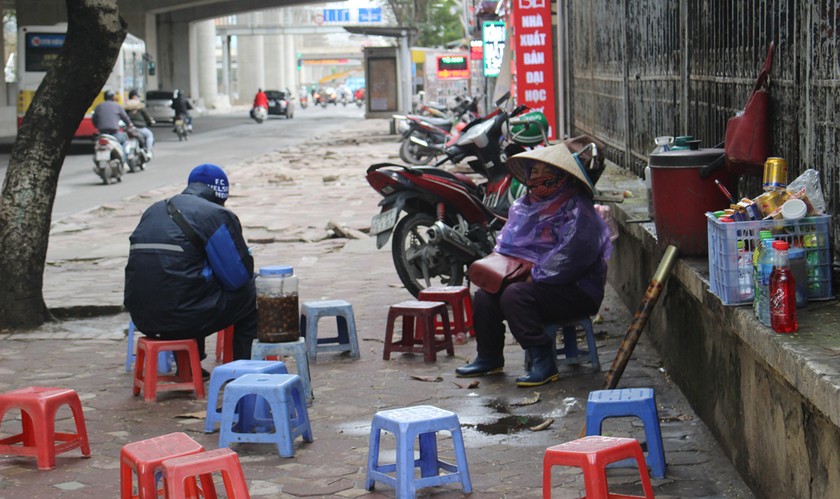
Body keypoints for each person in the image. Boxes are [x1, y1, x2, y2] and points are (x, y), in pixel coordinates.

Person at [455, 144, 613, 387]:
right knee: (485, 297)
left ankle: (543, 361)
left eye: (545, 171)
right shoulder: (525, 206)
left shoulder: (578, 209)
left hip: (576, 289)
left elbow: (570, 258)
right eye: (534, 171)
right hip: (534, 283)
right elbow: (506, 245)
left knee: (515, 295)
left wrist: (535, 275)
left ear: (561, 176)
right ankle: (489, 357)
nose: (538, 177)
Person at [124, 163, 257, 362]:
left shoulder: (154, 209)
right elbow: (237, 278)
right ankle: (243, 368)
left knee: (187, 280)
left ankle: (189, 365)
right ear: (222, 196)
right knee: (254, 290)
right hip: (184, 319)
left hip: (142, 317)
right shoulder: (216, 214)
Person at [124, 89, 155, 157]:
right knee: (149, 135)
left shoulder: (126, 105)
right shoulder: (139, 105)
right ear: (134, 97)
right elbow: (146, 116)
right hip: (139, 127)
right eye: (137, 96)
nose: (138, 98)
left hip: (129, 128)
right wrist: (150, 121)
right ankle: (148, 151)